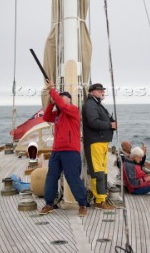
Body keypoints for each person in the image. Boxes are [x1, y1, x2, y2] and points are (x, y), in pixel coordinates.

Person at [39, 79, 88, 217]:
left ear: (69, 100)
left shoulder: (73, 110)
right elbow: (46, 117)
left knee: (72, 178)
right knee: (51, 177)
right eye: (59, 99)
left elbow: (62, 105)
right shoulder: (58, 114)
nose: (59, 100)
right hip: (56, 151)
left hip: (70, 151)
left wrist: (52, 91)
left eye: (62, 98)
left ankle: (83, 204)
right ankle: (49, 204)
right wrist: (51, 102)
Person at [82, 83, 117, 210]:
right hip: (95, 143)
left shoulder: (97, 104)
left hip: (101, 142)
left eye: (103, 90)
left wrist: (111, 122)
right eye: (99, 90)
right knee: (98, 172)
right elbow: (93, 122)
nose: (102, 92)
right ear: (92, 92)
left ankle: (102, 197)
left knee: (103, 171)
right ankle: (99, 201)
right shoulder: (90, 105)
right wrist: (110, 125)